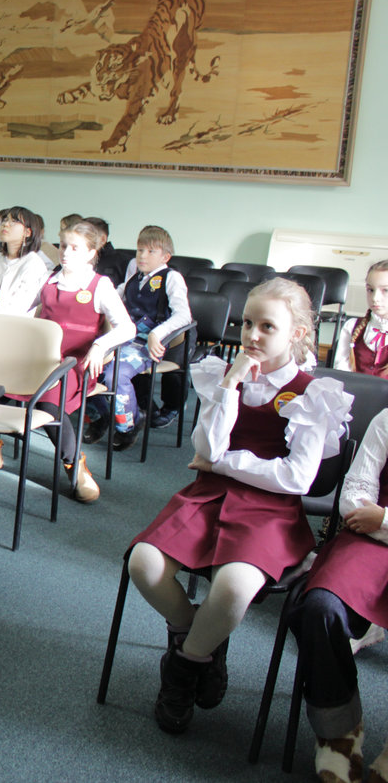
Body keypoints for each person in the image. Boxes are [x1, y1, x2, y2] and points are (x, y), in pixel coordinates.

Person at [126, 277, 351, 734]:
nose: (252, 335)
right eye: (248, 323)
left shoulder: (312, 392)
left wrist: (225, 464)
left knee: (232, 588)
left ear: (297, 334)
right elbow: (206, 447)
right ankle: (199, 636)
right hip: (207, 496)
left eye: (267, 326)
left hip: (270, 511)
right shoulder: (225, 375)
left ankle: (184, 667)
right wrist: (230, 386)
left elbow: (296, 477)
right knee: (143, 564)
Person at [286, 408, 388, 783]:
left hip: (379, 524)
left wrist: (384, 519)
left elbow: (373, 514)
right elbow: (354, 498)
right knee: (320, 608)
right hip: (369, 540)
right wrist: (374, 520)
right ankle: (339, 733)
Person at [20, 220, 134, 503]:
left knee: (47, 405)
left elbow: (127, 328)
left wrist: (100, 345)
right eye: (63, 246)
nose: (65, 252)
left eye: (74, 248)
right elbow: (20, 310)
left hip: (74, 363)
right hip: (40, 357)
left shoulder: (100, 285)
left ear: (91, 252)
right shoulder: (49, 280)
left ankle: (74, 464)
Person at [83, 225, 192, 451]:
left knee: (115, 375)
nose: (142, 255)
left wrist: (157, 333)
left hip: (148, 344)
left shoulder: (171, 278)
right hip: (124, 338)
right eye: (140, 250)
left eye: (151, 251)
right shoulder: (135, 276)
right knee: (85, 365)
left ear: (165, 257)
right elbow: (112, 298)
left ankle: (128, 426)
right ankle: (104, 415)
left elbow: (184, 315)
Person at [0, 206, 49, 316]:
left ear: (27, 232)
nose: (6, 224)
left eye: (14, 221)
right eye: (5, 220)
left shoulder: (33, 263)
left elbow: (19, 306)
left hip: (16, 322)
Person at [333, 259, 388, 376]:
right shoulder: (352, 326)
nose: (375, 298)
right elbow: (341, 372)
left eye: (386, 290)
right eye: (370, 290)